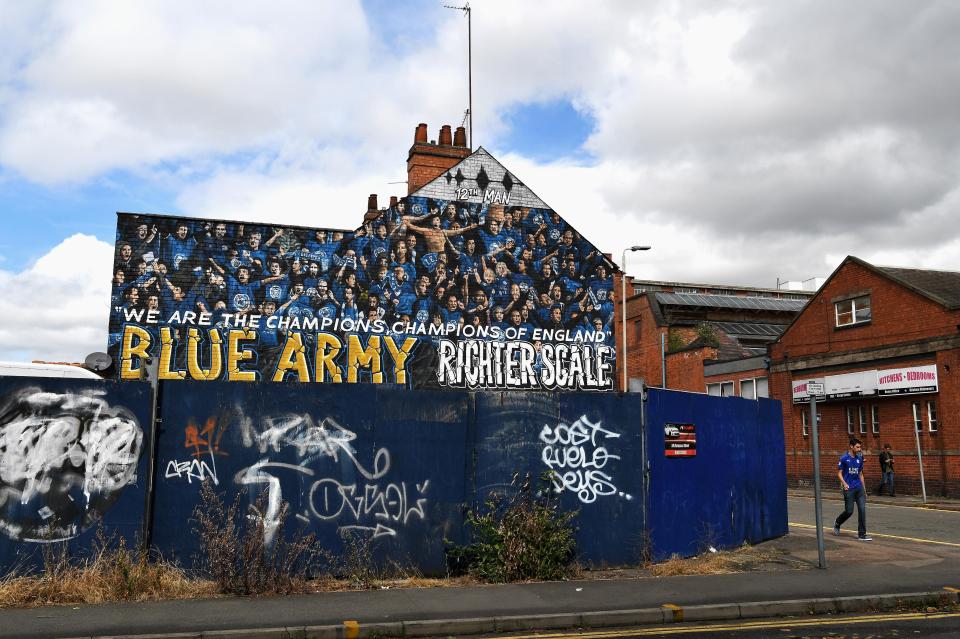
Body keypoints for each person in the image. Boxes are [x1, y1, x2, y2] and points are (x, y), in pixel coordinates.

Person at [834, 438, 871, 541]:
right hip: (849, 488)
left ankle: (862, 534)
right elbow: (839, 473)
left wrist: (864, 489)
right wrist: (844, 484)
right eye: (857, 447)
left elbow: (860, 474)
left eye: (860, 447)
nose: (859, 449)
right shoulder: (844, 458)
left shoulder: (859, 458)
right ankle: (837, 522)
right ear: (851, 446)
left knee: (862, 511)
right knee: (849, 511)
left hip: (859, 488)